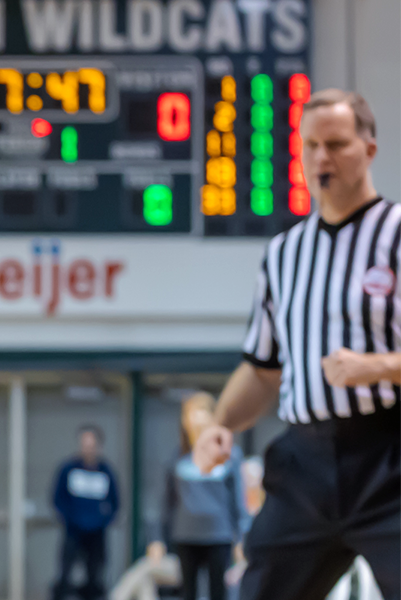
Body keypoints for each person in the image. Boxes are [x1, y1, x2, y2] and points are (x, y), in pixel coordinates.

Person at [195, 88, 401, 600]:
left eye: (335, 143)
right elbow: (262, 368)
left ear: (369, 149)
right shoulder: (284, 253)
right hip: (305, 466)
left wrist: (376, 366)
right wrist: (220, 424)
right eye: (310, 145)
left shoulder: (397, 234)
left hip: (389, 456)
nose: (321, 158)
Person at [146, 393, 248, 600]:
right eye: (193, 414)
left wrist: (242, 538)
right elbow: (165, 502)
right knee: (188, 593)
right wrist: (156, 538)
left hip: (219, 536)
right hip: (185, 536)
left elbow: (238, 501)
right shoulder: (176, 457)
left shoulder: (231, 456)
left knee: (219, 592)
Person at [53, 425, 119, 600]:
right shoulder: (69, 469)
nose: (88, 448)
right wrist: (70, 518)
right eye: (84, 444)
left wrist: (102, 521)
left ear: (98, 446)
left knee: (94, 577)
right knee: (65, 575)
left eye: (91, 444)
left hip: (97, 534)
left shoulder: (106, 471)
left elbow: (115, 502)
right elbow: (58, 499)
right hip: (73, 532)